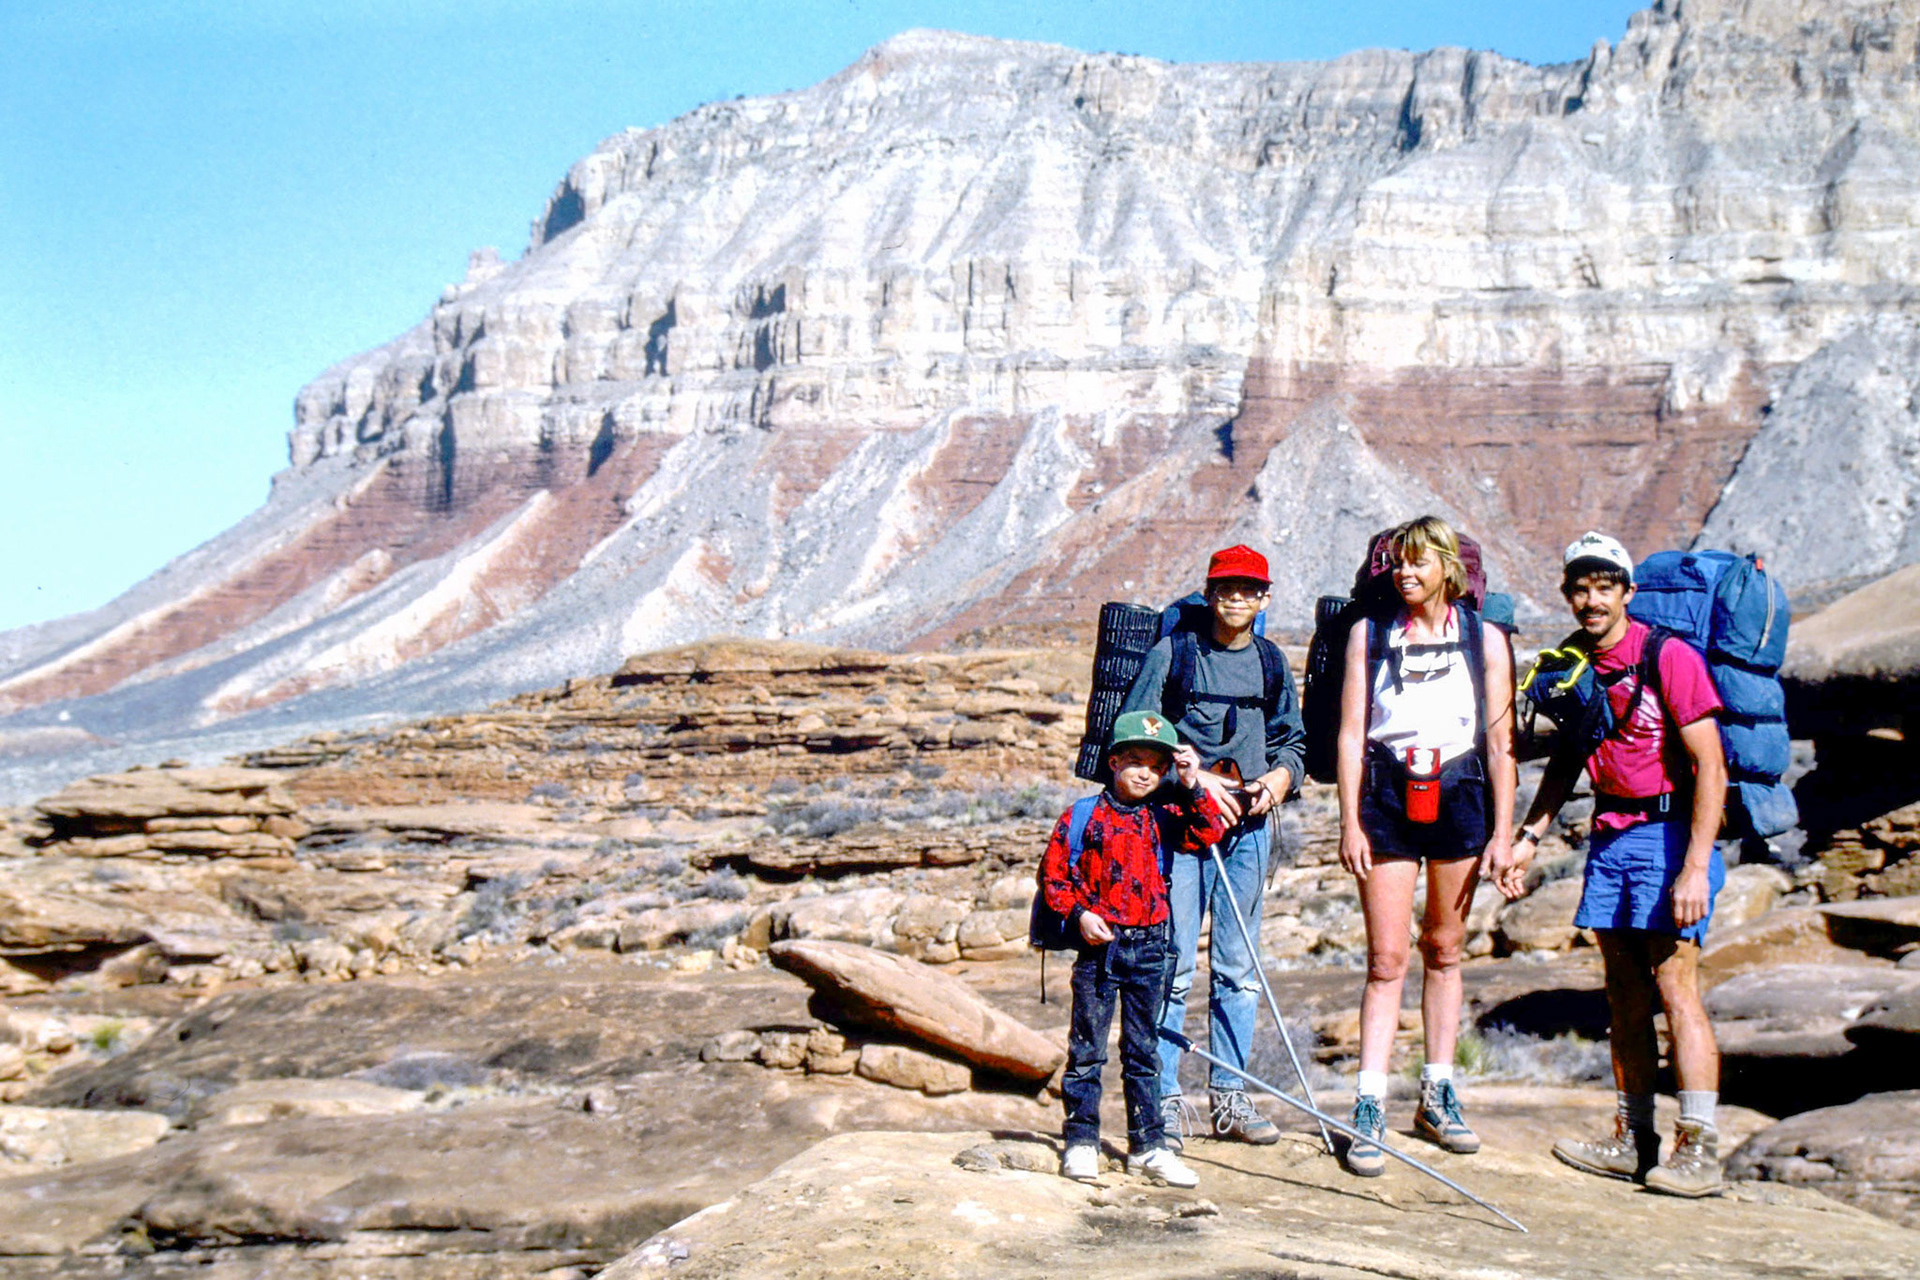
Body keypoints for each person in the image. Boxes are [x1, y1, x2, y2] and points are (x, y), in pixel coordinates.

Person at [1506, 531, 1729, 1197]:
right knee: (1624, 994)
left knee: (1674, 984)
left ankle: (1700, 1148)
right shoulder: (1575, 665)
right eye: (1580, 587)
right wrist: (1529, 837)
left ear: (1628, 593)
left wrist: (1694, 868)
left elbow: (1711, 768)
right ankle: (1635, 1138)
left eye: (1605, 587)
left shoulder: (1668, 657)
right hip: (1610, 836)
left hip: (1669, 835)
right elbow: (1568, 762)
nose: (1591, 599)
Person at [1334, 515, 1517, 1176]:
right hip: (1386, 794)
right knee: (1386, 958)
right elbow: (1352, 733)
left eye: (1418, 563)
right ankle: (1369, 1104)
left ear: (1448, 567)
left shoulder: (1485, 639)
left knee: (1444, 947)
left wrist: (1503, 830)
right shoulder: (1368, 634)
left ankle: (1438, 1094)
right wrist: (1350, 820)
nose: (1405, 574)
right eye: (1397, 564)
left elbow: (1500, 743)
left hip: (1460, 790)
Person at [1121, 544, 1306, 1148]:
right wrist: (1190, 779)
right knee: (1173, 968)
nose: (1236, 598)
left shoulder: (1271, 663)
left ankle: (1230, 1098)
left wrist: (1277, 783)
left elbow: (1293, 744)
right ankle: (1165, 1103)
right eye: (1226, 587)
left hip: (1249, 834)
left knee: (1238, 970)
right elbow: (1133, 744)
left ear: (1265, 597)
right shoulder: (1172, 656)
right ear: (1208, 589)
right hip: (1179, 830)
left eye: (1249, 589)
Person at [1039, 710, 1228, 1187]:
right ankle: (1081, 1140)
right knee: (1087, 1051)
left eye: (1157, 765)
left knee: (1144, 1050)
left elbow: (1210, 831)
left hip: (1150, 950)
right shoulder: (1083, 817)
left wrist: (1191, 783)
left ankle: (1148, 1145)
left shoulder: (1166, 815)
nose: (1146, 772)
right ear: (1114, 761)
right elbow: (1055, 878)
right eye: (1136, 761)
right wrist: (1080, 914)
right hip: (1099, 952)